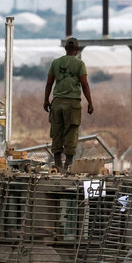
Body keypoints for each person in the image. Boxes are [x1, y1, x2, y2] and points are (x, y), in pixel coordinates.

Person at [43, 37, 94, 172]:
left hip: (57, 102)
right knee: (71, 131)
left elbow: (49, 83)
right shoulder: (79, 64)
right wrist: (90, 102)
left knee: (57, 130)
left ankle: (58, 162)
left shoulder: (56, 63)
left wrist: (46, 100)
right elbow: (84, 84)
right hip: (72, 103)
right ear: (77, 50)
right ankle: (69, 164)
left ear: (66, 49)